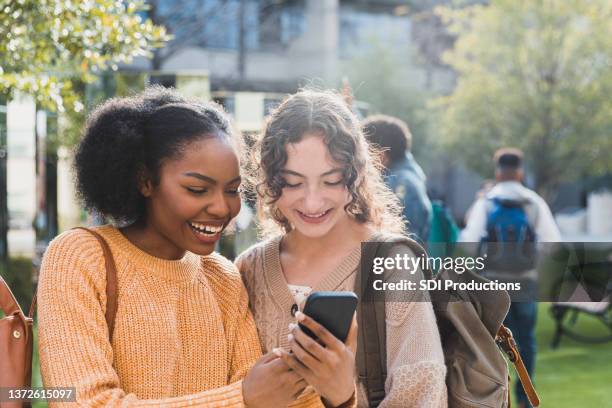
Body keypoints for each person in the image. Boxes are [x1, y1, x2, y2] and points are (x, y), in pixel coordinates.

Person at [37, 87, 355, 407]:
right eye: (198, 189)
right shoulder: (79, 257)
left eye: (231, 190)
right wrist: (241, 400)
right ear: (145, 180)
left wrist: (338, 396)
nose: (221, 208)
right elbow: (81, 402)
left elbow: (267, 399)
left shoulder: (223, 278)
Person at [236, 90, 447, 407]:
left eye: (332, 180)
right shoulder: (248, 268)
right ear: (268, 179)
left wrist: (343, 396)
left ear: (356, 175)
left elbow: (425, 399)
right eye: (292, 182)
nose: (312, 201)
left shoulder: (392, 266)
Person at [460, 148, 561, 408]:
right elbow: (553, 243)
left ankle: (498, 397)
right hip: (525, 281)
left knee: (493, 341)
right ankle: (526, 397)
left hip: (492, 283)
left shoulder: (486, 202)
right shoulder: (533, 201)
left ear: (498, 172)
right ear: (520, 172)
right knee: (525, 340)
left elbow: (468, 243)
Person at [362, 115, 432, 245]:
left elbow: (403, 246)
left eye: (363, 152)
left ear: (380, 155)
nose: (360, 160)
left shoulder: (403, 185)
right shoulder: (405, 178)